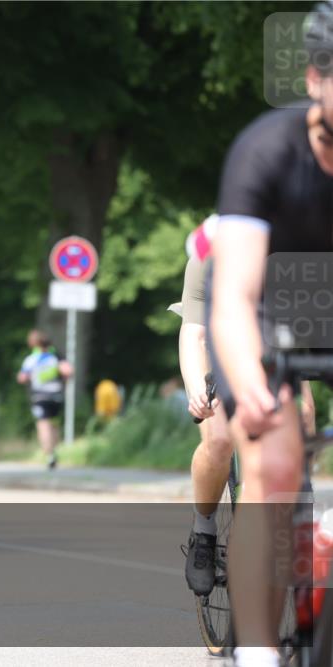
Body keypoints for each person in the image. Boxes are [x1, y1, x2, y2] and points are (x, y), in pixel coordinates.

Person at [208, 5, 333, 665]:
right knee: (275, 461)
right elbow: (231, 298)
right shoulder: (267, 150)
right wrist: (254, 387)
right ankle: (256, 651)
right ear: (317, 79)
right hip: (263, 314)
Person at [170, 219, 316, 598]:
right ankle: (204, 530)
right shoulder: (209, 255)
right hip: (218, 344)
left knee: (302, 417)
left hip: (272, 344)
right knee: (218, 439)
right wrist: (196, 389)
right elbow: (194, 334)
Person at [17, 329, 73, 470]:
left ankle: (49, 454)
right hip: (56, 395)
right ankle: (53, 451)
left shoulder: (32, 359)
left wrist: (32, 376)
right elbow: (68, 371)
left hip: (39, 396)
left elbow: (22, 378)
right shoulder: (55, 356)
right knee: (53, 425)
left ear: (33, 344)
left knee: (43, 424)